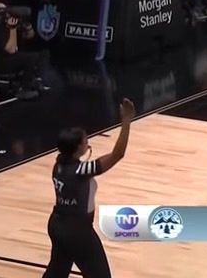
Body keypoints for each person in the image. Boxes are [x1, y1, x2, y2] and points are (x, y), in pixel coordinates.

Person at [44, 98, 135, 278]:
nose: (88, 141)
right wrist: (126, 121)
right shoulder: (80, 170)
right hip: (77, 230)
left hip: (57, 225)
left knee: (57, 272)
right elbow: (117, 154)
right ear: (78, 147)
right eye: (85, 139)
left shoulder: (59, 165)